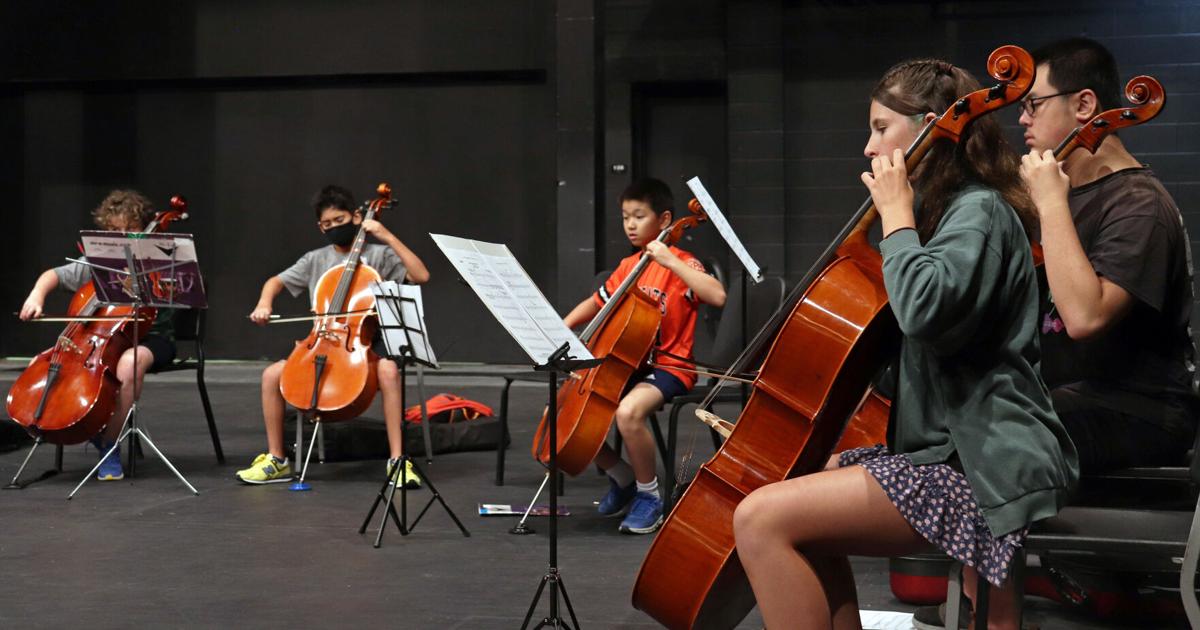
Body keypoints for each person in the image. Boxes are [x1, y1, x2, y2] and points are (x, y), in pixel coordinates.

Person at [732, 60, 1078, 630]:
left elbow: (924, 311)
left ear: (928, 128)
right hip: (950, 450)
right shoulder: (949, 214)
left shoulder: (979, 212)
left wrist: (895, 216)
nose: (869, 148)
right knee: (808, 492)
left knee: (759, 519)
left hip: (982, 463)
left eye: (880, 127)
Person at [1020, 37, 1199, 475]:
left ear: (1084, 106)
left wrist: (1050, 204)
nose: (1022, 119)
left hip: (1138, 412)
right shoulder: (1056, 194)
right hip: (1069, 397)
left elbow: (1085, 317)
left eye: (1033, 104)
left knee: (995, 443)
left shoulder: (1139, 203)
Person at [560, 178, 725, 534]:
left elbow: (717, 295)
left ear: (664, 220)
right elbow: (596, 303)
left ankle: (650, 496)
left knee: (628, 412)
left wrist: (670, 260)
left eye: (639, 216)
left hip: (671, 367)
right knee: (561, 413)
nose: (630, 224)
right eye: (625, 217)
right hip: (631, 364)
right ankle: (622, 478)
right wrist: (564, 327)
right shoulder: (629, 265)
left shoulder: (683, 262)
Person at [236, 184, 430, 485]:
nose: (333, 228)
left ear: (355, 216)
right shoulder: (315, 259)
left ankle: (397, 460)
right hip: (323, 341)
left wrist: (386, 234)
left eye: (339, 221)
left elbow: (421, 276)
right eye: (326, 225)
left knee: (390, 371)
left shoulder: (379, 255)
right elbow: (275, 281)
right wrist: (264, 303)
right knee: (271, 375)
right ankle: (277, 459)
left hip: (368, 342)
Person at [18, 189, 177, 481]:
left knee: (129, 364)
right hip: (99, 340)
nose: (125, 236)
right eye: (116, 231)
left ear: (144, 228)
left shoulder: (161, 261)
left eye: (131, 229)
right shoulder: (100, 261)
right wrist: (36, 296)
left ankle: (109, 444)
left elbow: (180, 297)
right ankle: (72, 425)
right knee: (37, 366)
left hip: (152, 338)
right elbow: (54, 275)